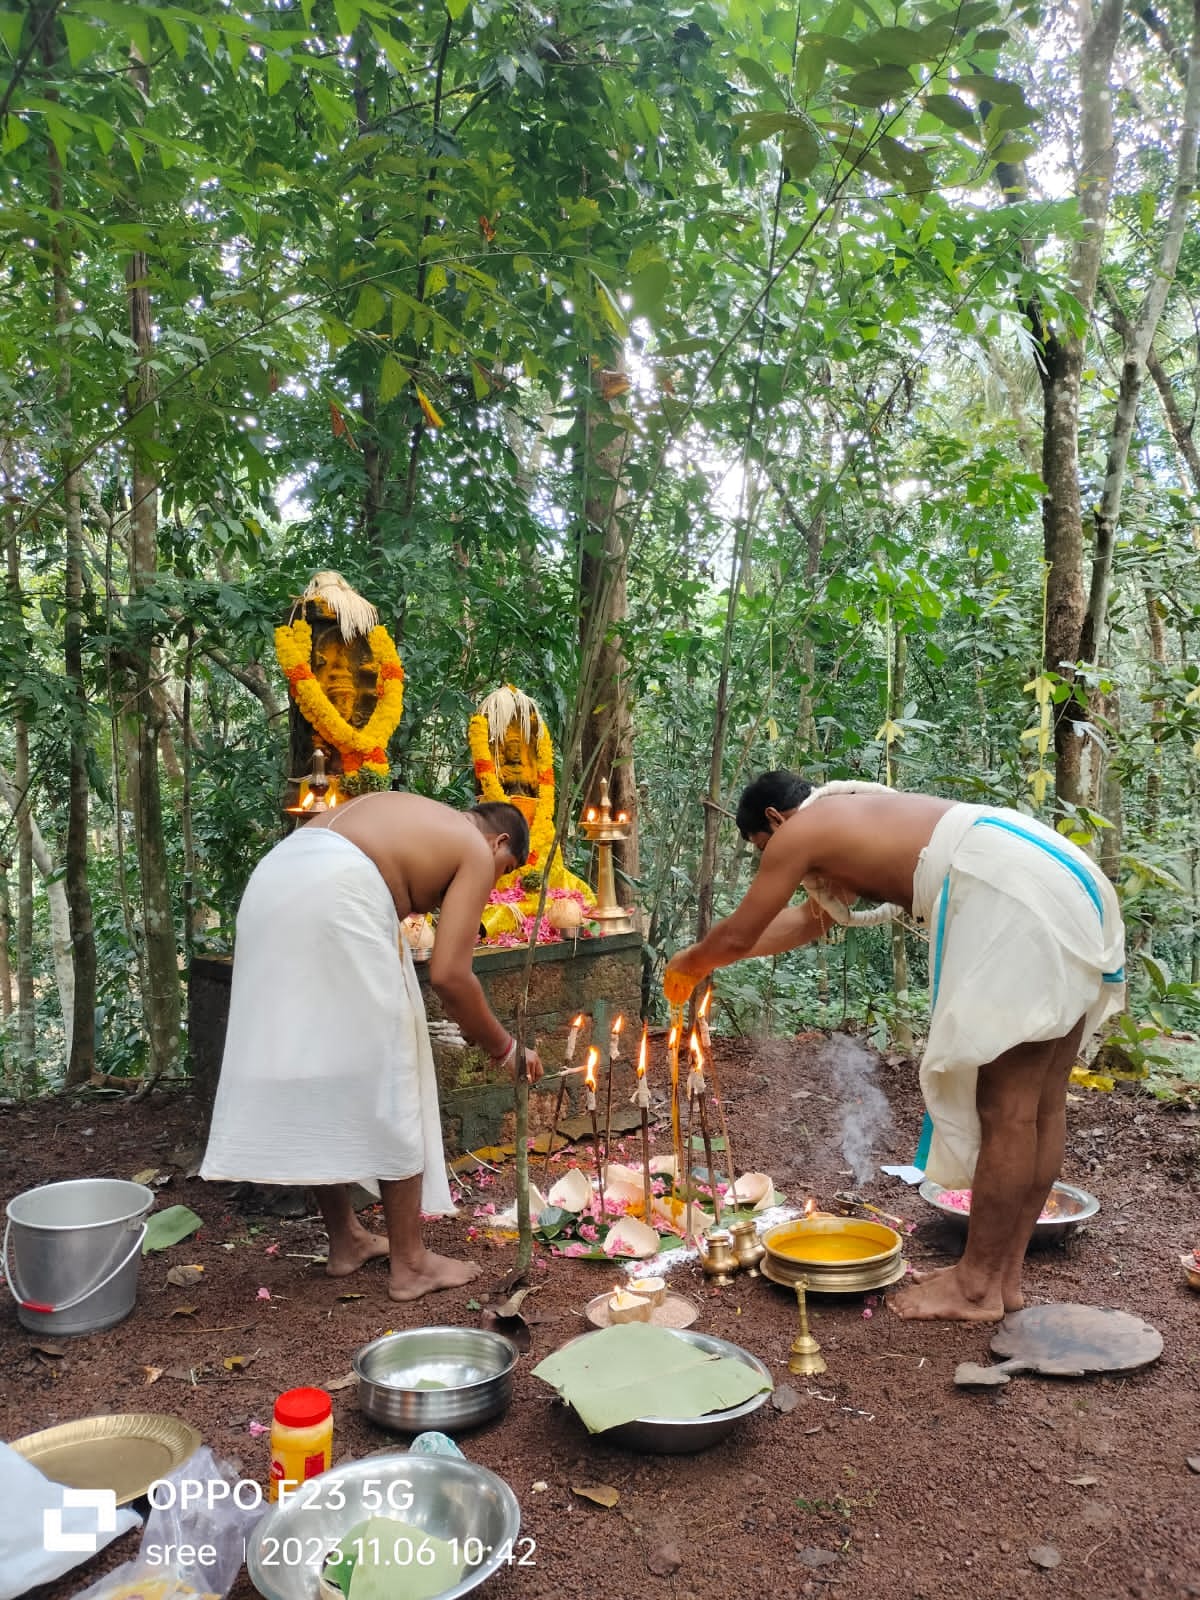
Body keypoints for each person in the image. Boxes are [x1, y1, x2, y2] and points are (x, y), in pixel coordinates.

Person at [663, 771, 1125, 1323]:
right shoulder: (856, 816)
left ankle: (975, 1287)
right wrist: (714, 956)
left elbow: (739, 933)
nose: (780, 865)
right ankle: (1003, 1278)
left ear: (774, 820)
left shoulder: (799, 832)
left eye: (766, 852)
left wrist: (687, 965)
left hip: (1008, 891)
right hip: (1065, 878)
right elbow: (800, 926)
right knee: (1040, 1103)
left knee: (1006, 1108)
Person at [202, 793, 543, 1302]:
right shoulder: (473, 846)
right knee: (392, 1067)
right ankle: (410, 1264)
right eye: (506, 869)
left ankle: (347, 1239)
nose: (494, 885)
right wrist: (506, 1048)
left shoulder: (411, 816)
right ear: (498, 842)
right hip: (338, 892)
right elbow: (451, 976)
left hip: (273, 882)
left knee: (317, 1065)